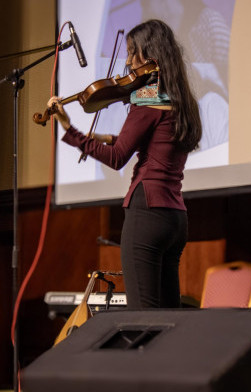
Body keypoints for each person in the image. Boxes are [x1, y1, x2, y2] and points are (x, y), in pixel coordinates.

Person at [48, 19, 202, 309]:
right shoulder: (180, 101)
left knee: (142, 314)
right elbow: (153, 143)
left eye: (133, 52)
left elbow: (117, 157)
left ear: (150, 56)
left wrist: (70, 129)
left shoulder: (146, 101)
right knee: (170, 316)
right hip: (175, 218)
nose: (128, 62)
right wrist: (101, 137)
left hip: (147, 213)